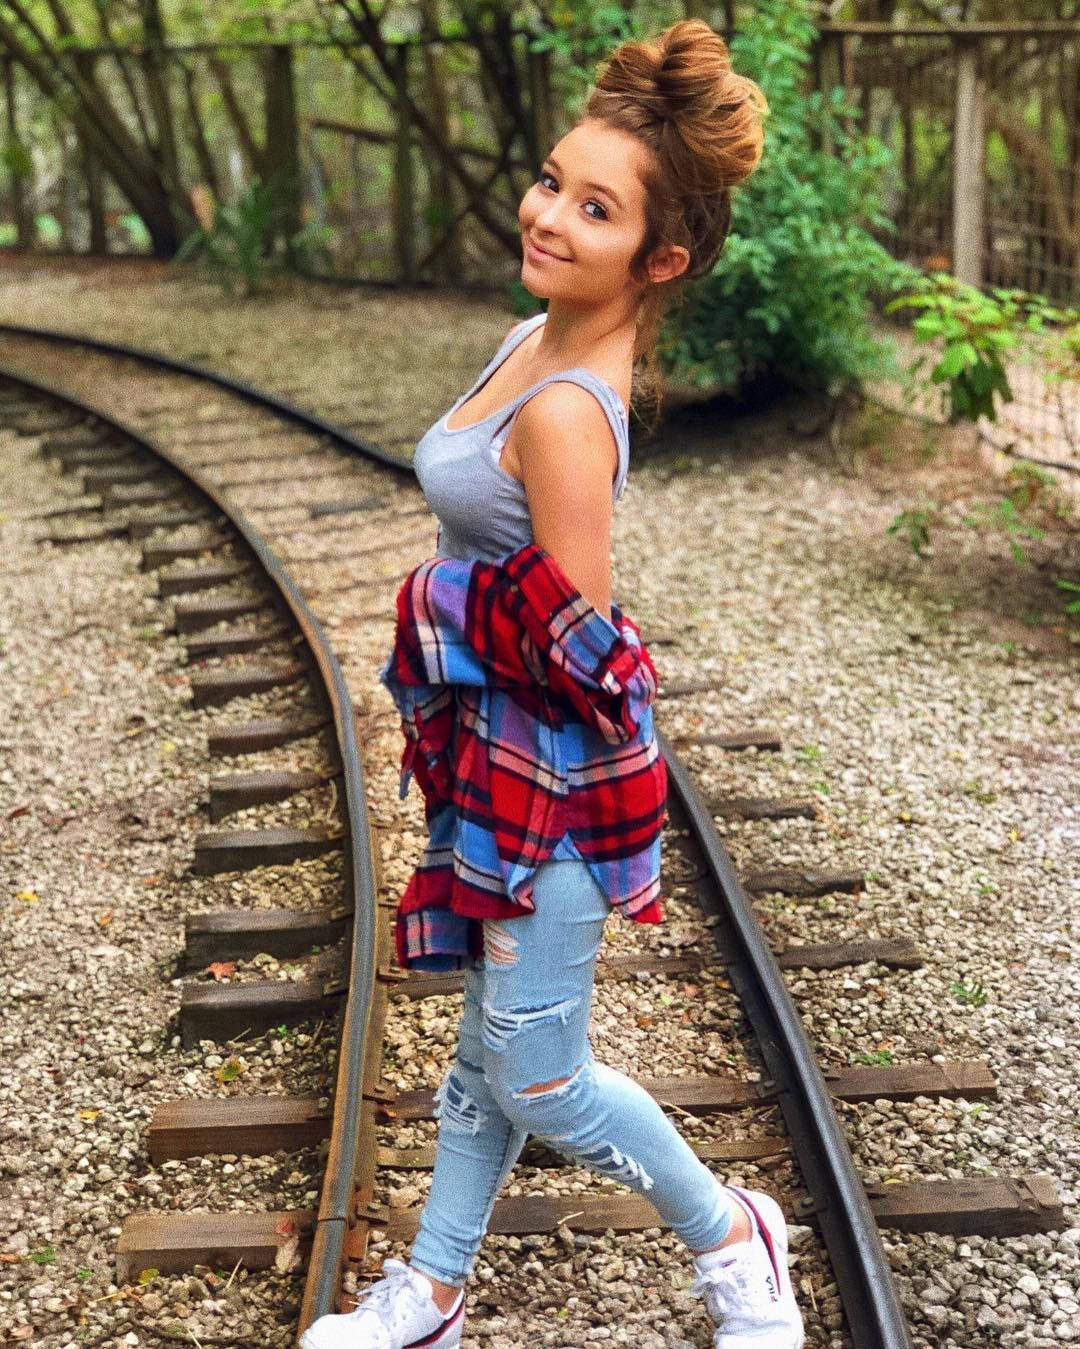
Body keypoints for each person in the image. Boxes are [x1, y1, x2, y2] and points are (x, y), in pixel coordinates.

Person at [301, 18, 804, 1349]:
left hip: (556, 797)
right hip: (499, 773)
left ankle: (732, 1236)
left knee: (538, 1067)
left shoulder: (568, 411)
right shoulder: (537, 333)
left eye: (597, 208)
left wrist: (427, 599)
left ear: (661, 257)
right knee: (486, 1048)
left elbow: (576, 645)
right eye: (549, 181)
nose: (551, 215)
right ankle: (437, 1292)